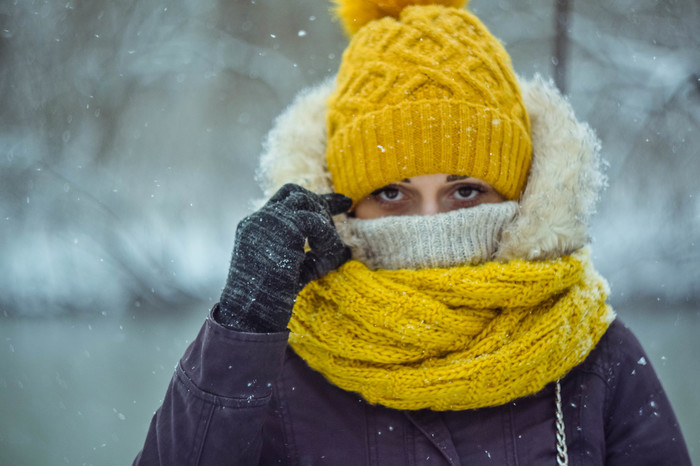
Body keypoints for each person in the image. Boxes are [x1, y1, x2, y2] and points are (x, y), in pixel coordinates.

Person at [134, 0, 691, 464]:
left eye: (466, 191)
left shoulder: (591, 351)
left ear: (519, 195)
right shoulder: (281, 359)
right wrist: (242, 328)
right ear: (342, 205)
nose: (431, 225)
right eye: (392, 193)